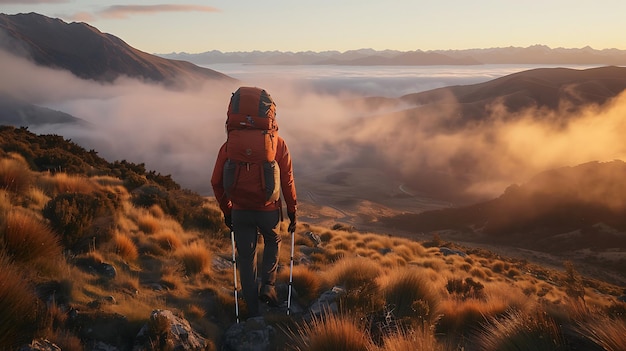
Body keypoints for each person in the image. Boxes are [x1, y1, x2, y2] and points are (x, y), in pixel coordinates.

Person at [211, 87, 297, 318]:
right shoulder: (277, 143)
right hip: (268, 210)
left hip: (240, 210)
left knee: (246, 257)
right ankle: (268, 286)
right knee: (273, 239)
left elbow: (216, 181)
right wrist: (293, 210)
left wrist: (227, 211)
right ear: (270, 116)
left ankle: (252, 308)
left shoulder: (229, 146)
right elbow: (287, 180)